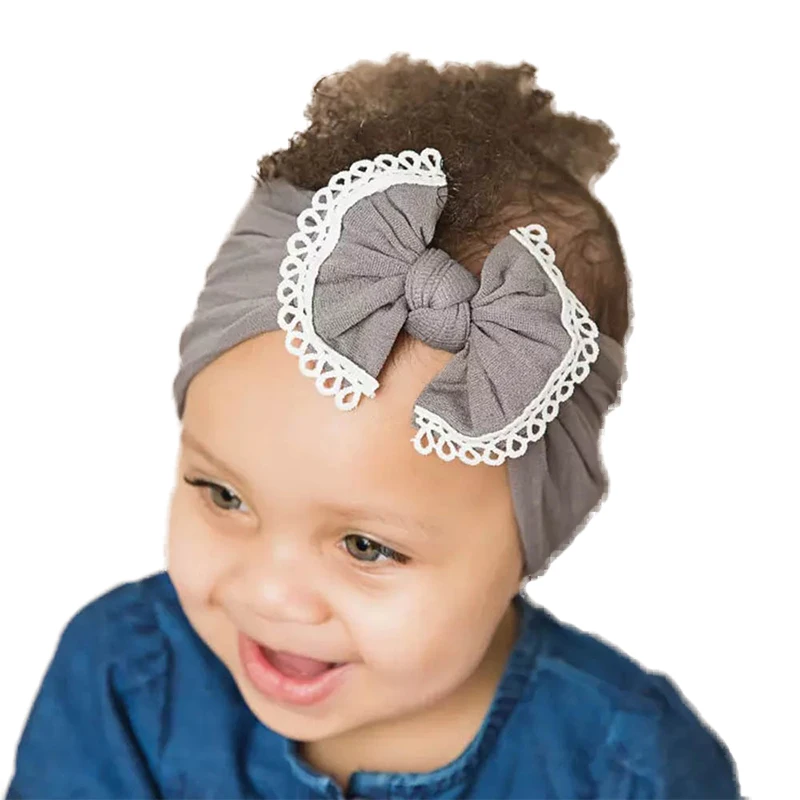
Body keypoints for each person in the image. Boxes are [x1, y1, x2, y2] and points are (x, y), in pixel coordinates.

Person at [5, 54, 741, 799]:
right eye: (224, 496)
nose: (271, 595)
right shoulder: (124, 681)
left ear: (536, 538)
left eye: (366, 546)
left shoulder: (632, 769)